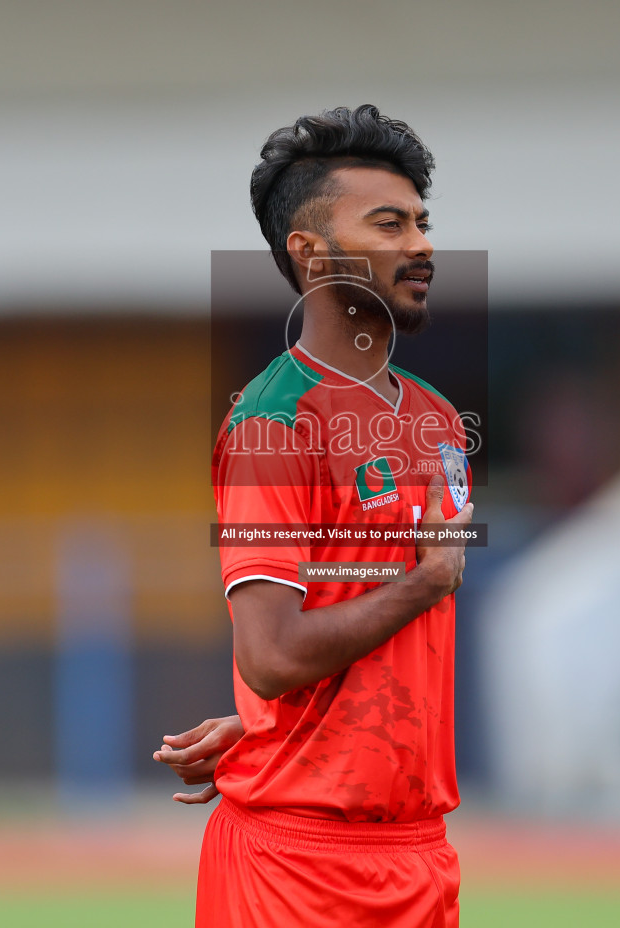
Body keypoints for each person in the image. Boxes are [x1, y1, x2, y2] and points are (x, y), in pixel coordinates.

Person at [156, 105, 474, 927]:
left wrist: (276, 726)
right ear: (311, 252)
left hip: (419, 855)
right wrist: (427, 580)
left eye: (423, 223)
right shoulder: (274, 423)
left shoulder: (438, 420)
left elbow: (319, 643)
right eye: (390, 224)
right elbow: (269, 655)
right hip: (297, 870)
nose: (422, 246)